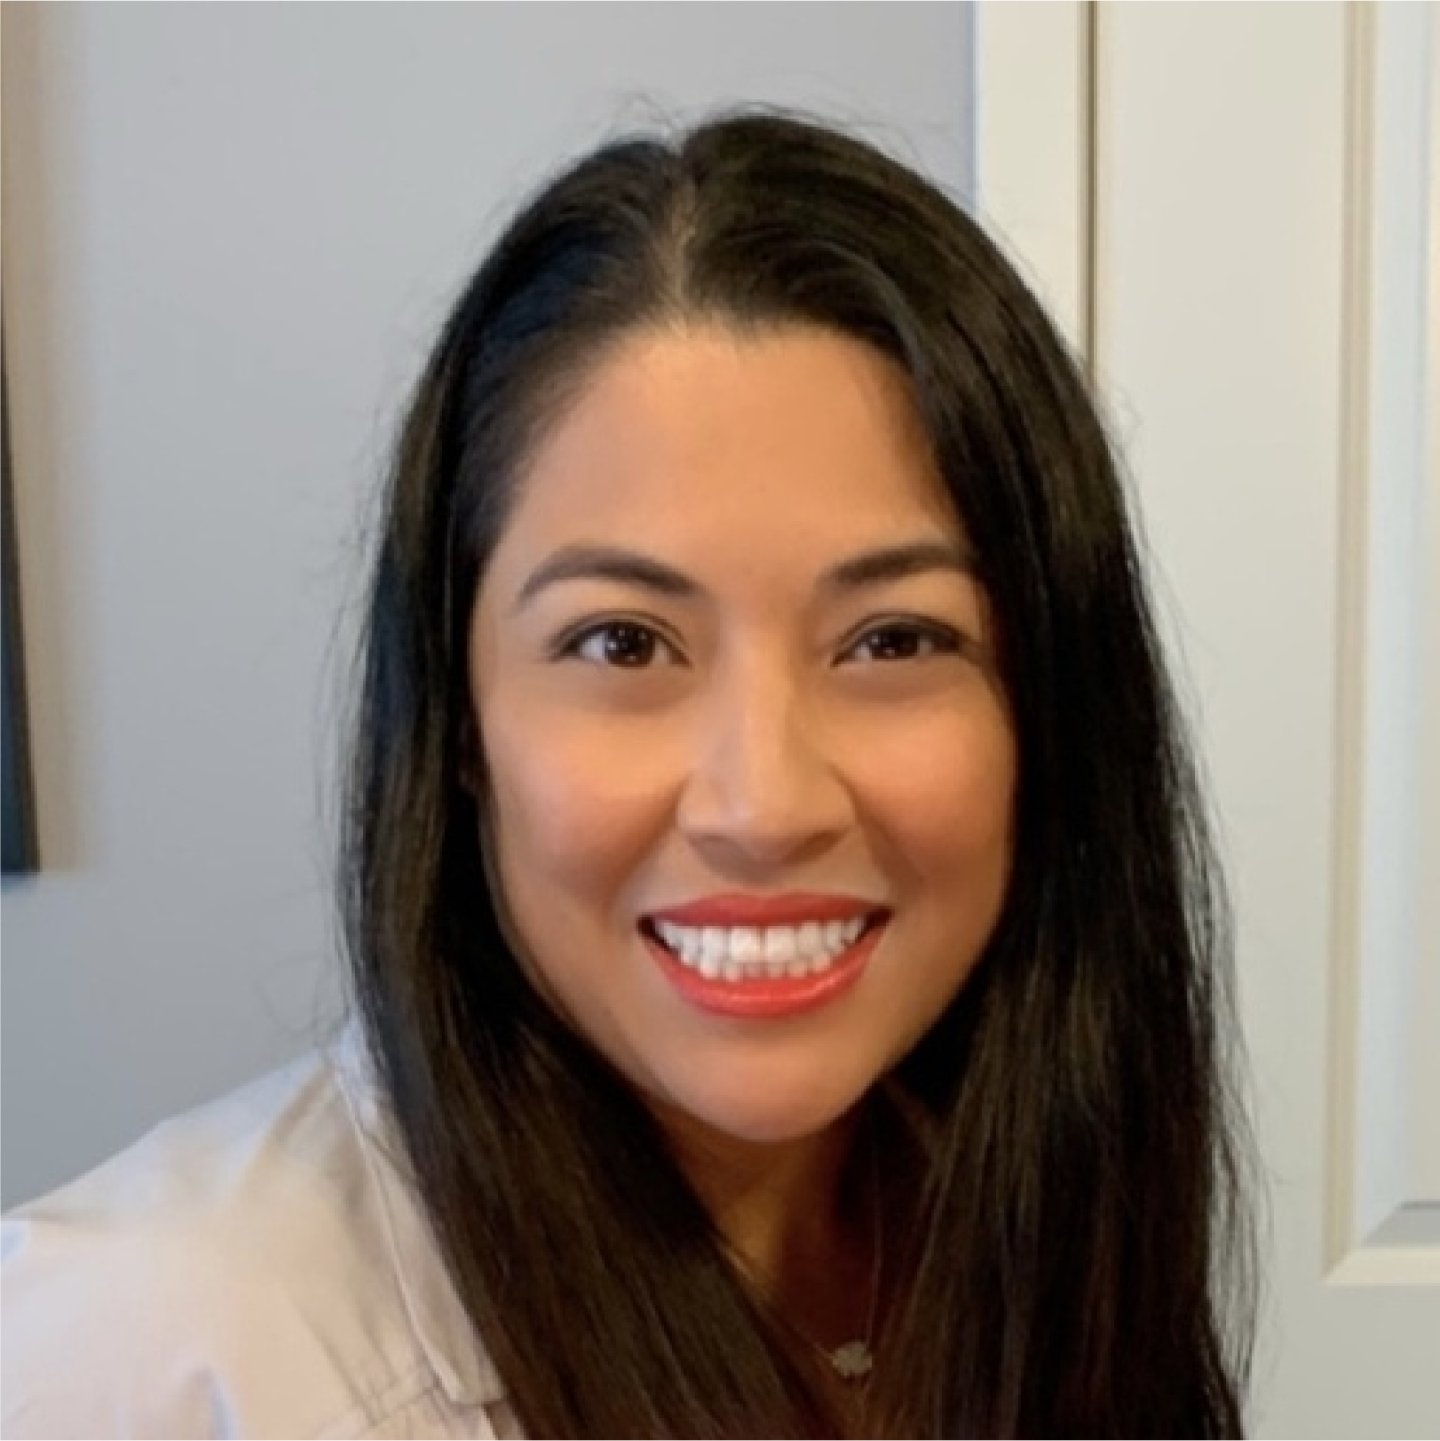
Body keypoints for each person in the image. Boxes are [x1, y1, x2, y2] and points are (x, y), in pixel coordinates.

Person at [0, 111, 1255, 1439]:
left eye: (893, 638)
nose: (763, 805)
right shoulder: (142, 1351)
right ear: (460, 728)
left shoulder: (1035, 1220)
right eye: (623, 642)